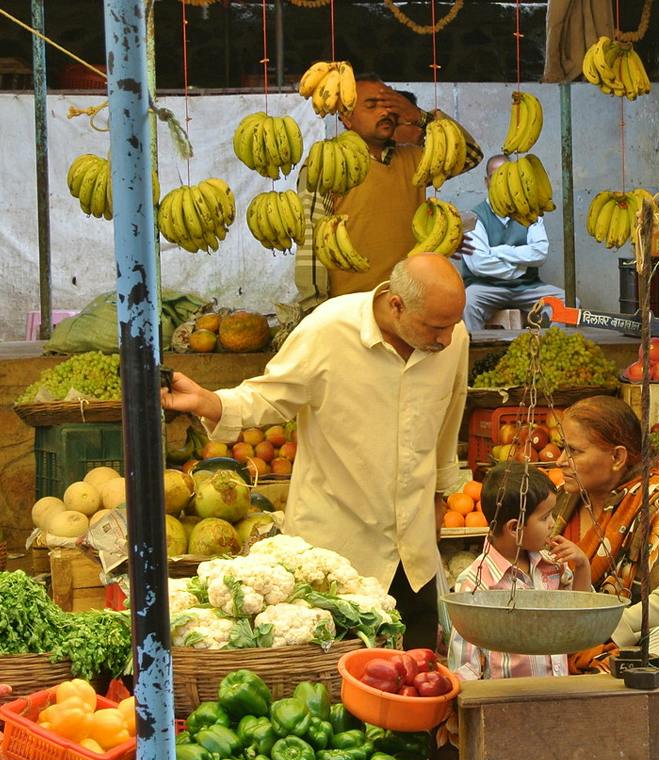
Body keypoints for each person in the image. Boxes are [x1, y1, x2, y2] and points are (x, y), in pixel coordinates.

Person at [161, 253, 469, 649]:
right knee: (339, 693)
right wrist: (207, 401)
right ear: (396, 304)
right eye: (436, 327)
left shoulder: (451, 339)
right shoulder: (328, 329)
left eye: (453, 326)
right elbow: (268, 397)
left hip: (413, 559)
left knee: (417, 684)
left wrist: (441, 495)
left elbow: (449, 418)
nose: (445, 339)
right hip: (336, 559)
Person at [551, 395, 659, 672]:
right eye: (562, 449)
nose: (561, 461)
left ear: (617, 457)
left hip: (628, 652)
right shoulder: (564, 501)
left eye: (574, 452)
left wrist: (604, 628)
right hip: (558, 642)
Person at [295, 75, 482, 311]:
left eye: (389, 104)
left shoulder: (415, 159)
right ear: (346, 118)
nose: (385, 112)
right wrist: (314, 308)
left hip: (409, 303)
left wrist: (420, 117)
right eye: (372, 105)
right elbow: (310, 239)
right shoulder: (327, 163)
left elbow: (471, 154)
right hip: (350, 307)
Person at [448, 462, 591, 680]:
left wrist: (582, 566)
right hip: (508, 702)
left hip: (559, 692)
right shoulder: (475, 583)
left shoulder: (552, 564)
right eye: (545, 517)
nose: (553, 523)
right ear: (515, 528)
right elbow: (465, 666)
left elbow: (580, 614)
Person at [459, 154, 565, 334]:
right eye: (496, 177)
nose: (502, 182)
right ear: (486, 182)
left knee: (568, 303)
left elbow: (540, 253)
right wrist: (522, 266)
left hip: (527, 288)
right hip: (485, 287)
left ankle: (551, 353)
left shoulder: (529, 213)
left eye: (507, 176)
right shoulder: (473, 217)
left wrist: (498, 251)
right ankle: (477, 357)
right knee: (468, 303)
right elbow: (479, 265)